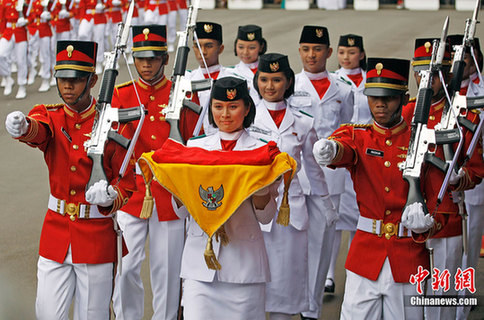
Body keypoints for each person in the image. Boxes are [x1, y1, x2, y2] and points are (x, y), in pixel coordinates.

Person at [4, 40, 136, 320]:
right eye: (62, 79)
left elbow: (127, 180)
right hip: (57, 234)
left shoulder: (114, 123)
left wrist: (111, 197)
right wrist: (24, 127)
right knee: (48, 313)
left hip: (95, 235)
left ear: (93, 80)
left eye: (76, 80)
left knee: (93, 315)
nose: (67, 86)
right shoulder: (50, 115)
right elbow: (40, 132)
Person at [313, 57, 446, 320]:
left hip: (407, 255)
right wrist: (330, 150)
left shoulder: (423, 143)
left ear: (405, 98)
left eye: (389, 97)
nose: (380, 104)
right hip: (366, 256)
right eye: (373, 97)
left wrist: (429, 223)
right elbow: (344, 150)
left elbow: (442, 201)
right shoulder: (358, 135)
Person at [111, 24, 199, 320]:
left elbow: (194, 140)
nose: (146, 65)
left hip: (170, 194)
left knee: (167, 271)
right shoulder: (121, 94)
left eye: (153, 58)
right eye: (140, 59)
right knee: (124, 268)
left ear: (165, 58)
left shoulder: (181, 92)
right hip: (132, 192)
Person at [173, 76, 278, 320]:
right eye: (218, 106)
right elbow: (181, 212)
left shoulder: (262, 150)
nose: (225, 114)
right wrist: (177, 186)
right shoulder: (194, 147)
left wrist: (261, 190)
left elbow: (266, 216)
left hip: (244, 266)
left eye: (233, 106)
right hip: (200, 265)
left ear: (247, 108)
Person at [247, 53, 333, 320]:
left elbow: (313, 168)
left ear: (288, 82)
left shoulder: (303, 121)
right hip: (253, 212)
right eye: (263, 79)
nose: (269, 86)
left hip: (290, 212)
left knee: (286, 285)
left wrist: (326, 203)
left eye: (276, 79)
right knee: (254, 285)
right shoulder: (246, 119)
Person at [294, 25, 353, 320]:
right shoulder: (289, 85)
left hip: (329, 180)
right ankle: (287, 302)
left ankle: (311, 309)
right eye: (305, 49)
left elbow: (345, 130)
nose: (311, 55)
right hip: (295, 179)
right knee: (290, 245)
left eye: (317, 49)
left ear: (329, 53)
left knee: (320, 246)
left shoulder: (343, 90)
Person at [326, 33, 370, 294]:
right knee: (333, 219)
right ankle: (329, 274)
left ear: (361, 54)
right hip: (338, 155)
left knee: (358, 218)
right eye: (342, 52)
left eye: (351, 53)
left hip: (364, 157)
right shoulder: (332, 82)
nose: (346, 57)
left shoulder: (372, 80)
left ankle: (355, 271)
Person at [188, 21, 234, 135]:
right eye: (197, 46)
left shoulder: (233, 78)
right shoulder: (187, 79)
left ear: (221, 49)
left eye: (209, 46)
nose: (202, 52)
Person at [0, 0, 29, 99]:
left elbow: (31, 14)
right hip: (8, 32)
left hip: (20, 32)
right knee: (1, 54)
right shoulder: (5, 1)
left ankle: (22, 86)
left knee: (21, 61)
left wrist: (26, 21)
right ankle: (7, 77)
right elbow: (2, 18)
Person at [232, 24, 267, 105]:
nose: (245, 52)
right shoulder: (230, 72)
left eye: (252, 48)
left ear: (261, 47)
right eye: (241, 47)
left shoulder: (269, 70)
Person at [77, 0, 107, 74]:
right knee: (82, 35)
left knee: (99, 40)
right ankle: (86, 60)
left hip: (99, 15)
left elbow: (108, 2)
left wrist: (104, 6)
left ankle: (99, 62)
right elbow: (82, 5)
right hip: (87, 16)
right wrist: (81, 17)